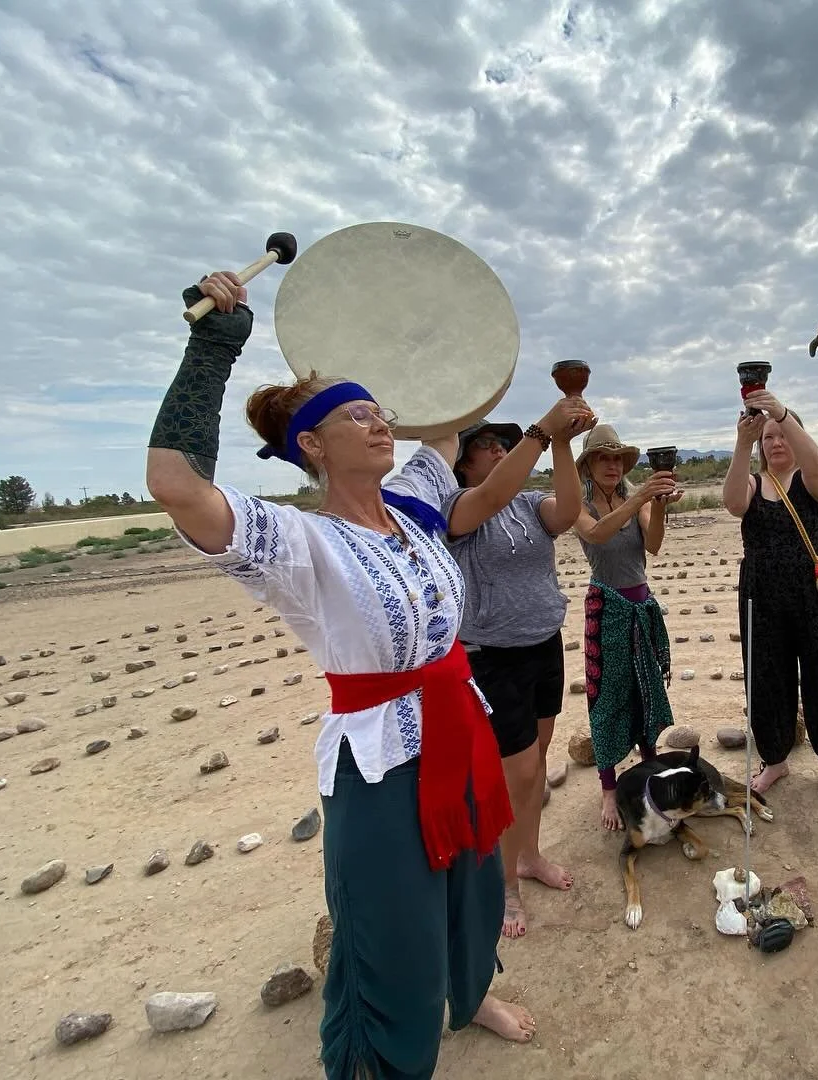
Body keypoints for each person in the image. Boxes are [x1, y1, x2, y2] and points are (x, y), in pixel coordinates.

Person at [146, 271, 536, 1080]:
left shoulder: (416, 510)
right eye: (357, 414)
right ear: (313, 447)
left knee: (474, 889)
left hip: (459, 726)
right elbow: (178, 487)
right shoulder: (295, 543)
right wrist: (212, 347)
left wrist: (430, 321)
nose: (379, 423)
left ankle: (469, 998)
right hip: (381, 761)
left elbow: (451, 405)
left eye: (379, 411)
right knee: (392, 931)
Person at [441, 403, 596, 940]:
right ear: (462, 462)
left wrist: (561, 445)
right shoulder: (458, 507)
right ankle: (504, 883)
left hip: (542, 645)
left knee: (538, 761)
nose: (498, 448)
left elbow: (570, 508)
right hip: (492, 655)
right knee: (519, 773)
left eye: (501, 442)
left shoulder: (530, 504)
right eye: (485, 444)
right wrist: (540, 430)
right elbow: (488, 497)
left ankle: (528, 855)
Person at [723, 383, 818, 808]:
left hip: (816, 598)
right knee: (766, 680)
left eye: (782, 434)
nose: (776, 442)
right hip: (761, 598)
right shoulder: (753, 480)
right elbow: (732, 504)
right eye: (769, 438)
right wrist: (743, 442)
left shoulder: (813, 477)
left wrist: (780, 414)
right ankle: (774, 760)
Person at [572, 424, 681, 830]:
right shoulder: (578, 505)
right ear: (588, 464)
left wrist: (661, 503)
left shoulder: (634, 496)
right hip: (607, 608)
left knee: (645, 688)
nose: (612, 465)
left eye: (617, 458)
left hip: (641, 603)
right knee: (606, 696)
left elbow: (652, 544)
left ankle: (650, 763)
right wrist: (640, 498)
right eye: (603, 457)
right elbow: (598, 534)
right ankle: (607, 785)